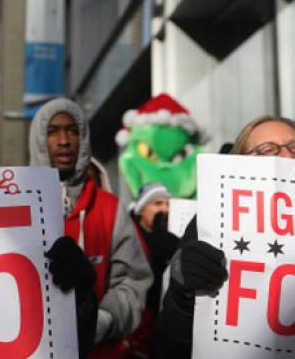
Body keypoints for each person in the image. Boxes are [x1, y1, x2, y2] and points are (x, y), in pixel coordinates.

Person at [159, 115, 295, 358]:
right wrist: (183, 293)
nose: (285, 156)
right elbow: (172, 339)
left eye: (293, 148)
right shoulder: (211, 219)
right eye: (267, 150)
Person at [30, 97, 153, 358]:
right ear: (39, 140)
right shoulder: (18, 207)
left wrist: (103, 320)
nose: (64, 140)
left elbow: (133, 281)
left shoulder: (110, 209)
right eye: (53, 132)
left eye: (72, 130)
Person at [127, 183, 179, 357]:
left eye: (168, 204)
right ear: (141, 209)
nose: (165, 209)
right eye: (157, 204)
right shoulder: (126, 237)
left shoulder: (172, 241)